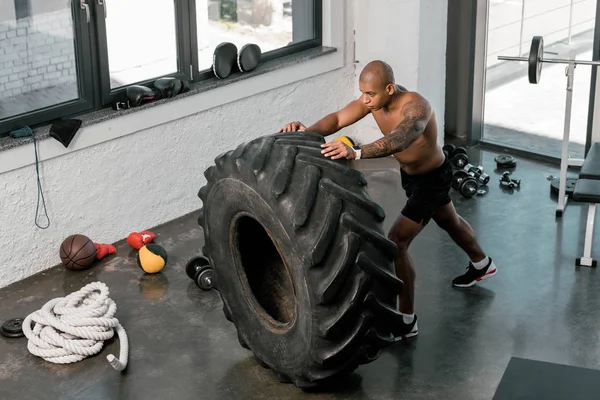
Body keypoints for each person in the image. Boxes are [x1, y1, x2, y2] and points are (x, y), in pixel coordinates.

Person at [279, 60, 496, 341]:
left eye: (370, 94)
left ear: (389, 89)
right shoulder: (371, 102)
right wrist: (307, 132)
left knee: (397, 242)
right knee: (449, 220)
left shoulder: (417, 107)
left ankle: (407, 321)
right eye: (362, 93)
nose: (365, 100)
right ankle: (482, 264)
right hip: (412, 177)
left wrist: (355, 152)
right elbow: (337, 119)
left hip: (432, 179)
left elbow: (401, 138)